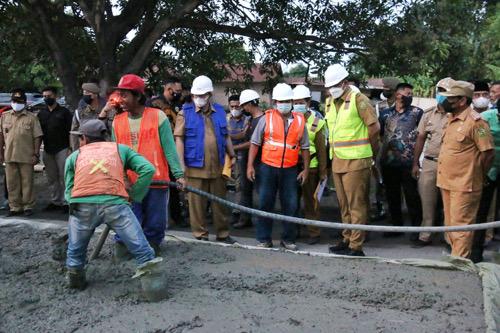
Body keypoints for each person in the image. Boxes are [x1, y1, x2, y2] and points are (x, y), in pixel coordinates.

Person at [64, 119, 161, 290]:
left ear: (85, 138)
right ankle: (154, 288)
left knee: (75, 251)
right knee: (142, 249)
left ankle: (75, 281)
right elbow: (148, 169)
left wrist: (74, 203)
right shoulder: (120, 149)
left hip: (83, 206)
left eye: (80, 138)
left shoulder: (74, 156)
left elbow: (69, 189)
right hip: (116, 204)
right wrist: (135, 195)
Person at [112, 74, 185, 256]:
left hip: (156, 181)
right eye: (119, 94)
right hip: (130, 183)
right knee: (128, 219)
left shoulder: (158, 117)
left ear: (137, 96)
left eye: (124, 95)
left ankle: (152, 246)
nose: (120, 99)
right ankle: (123, 246)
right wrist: (123, 179)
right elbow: (117, 155)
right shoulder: (117, 122)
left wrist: (179, 174)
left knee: (155, 221)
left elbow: (169, 149)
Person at [324, 64, 379, 257]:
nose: (332, 89)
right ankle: (346, 238)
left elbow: (374, 128)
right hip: (337, 160)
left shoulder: (359, 99)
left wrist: (372, 153)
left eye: (336, 84)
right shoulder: (329, 102)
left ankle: (356, 245)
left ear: (345, 82)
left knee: (356, 205)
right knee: (343, 204)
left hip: (357, 160)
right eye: (329, 86)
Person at [174, 75, 236, 243]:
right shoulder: (184, 113)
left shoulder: (220, 112)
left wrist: (232, 155)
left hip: (217, 167)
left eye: (202, 95)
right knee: (196, 205)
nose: (199, 99)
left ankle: (223, 234)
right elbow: (179, 140)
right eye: (196, 96)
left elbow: (226, 136)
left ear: (210, 94)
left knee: (220, 203)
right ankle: (201, 235)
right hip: (194, 167)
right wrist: (181, 168)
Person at [247, 83, 309, 250]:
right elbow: (254, 143)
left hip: (290, 169)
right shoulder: (265, 119)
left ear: (292, 101)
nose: (284, 104)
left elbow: (305, 147)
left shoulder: (300, 120)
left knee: (290, 204)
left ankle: (288, 239)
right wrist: (250, 166)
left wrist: (306, 169)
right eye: (281, 101)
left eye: (287, 100)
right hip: (268, 168)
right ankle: (263, 238)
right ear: (275, 102)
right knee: (265, 203)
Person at [437, 80, 494, 259]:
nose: (445, 101)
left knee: (461, 227)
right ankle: (456, 258)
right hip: (446, 182)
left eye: (450, 99)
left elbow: (488, 153)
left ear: (462, 101)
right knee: (451, 226)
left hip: (465, 185)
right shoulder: (450, 119)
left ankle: (458, 265)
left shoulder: (476, 122)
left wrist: (478, 174)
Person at [411, 78, 454, 247]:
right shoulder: (428, 114)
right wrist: (415, 163)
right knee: (427, 202)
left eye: (446, 91)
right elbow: (420, 139)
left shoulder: (458, 115)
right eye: (440, 90)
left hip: (450, 165)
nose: (442, 95)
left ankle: (449, 238)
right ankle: (425, 235)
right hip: (429, 164)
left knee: (449, 205)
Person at [379, 82, 423, 240]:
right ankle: (396, 226)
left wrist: (417, 162)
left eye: (411, 94)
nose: (410, 97)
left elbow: (421, 136)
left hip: (409, 162)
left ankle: (417, 230)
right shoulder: (385, 114)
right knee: (392, 196)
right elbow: (381, 135)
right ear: (398, 95)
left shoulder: (417, 113)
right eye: (407, 93)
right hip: (389, 163)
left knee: (412, 196)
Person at [147, 77, 187, 227]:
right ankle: (162, 218)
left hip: (174, 147)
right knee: (159, 185)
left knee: (175, 184)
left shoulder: (178, 104)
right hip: (157, 148)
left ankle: (177, 217)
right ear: (168, 89)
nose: (179, 93)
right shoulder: (154, 104)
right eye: (176, 91)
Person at [292, 85, 327, 245]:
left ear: (307, 102)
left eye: (300, 102)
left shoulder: (318, 122)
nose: (297, 105)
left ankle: (314, 232)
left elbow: (321, 150)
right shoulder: (290, 120)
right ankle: (293, 230)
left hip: (311, 167)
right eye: (294, 102)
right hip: (292, 166)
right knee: (292, 201)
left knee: (310, 202)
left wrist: (322, 172)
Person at [0, 89, 42, 217]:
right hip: (9, 155)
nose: (16, 103)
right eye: (14, 101)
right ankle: (14, 207)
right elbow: (1, 135)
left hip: (26, 155)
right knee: (12, 183)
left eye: (19, 101)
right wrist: (0, 153)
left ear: (24, 102)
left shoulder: (32, 118)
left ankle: (28, 206)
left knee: (27, 182)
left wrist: (36, 154)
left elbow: (37, 137)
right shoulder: (4, 116)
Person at [471, 97, 500, 262]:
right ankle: (476, 252)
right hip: (487, 169)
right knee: (482, 211)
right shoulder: (484, 119)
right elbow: (481, 142)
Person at [37, 86, 73, 212]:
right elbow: (39, 134)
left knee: (65, 176)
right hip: (48, 150)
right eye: (45, 96)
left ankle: (67, 202)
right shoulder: (42, 114)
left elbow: (71, 132)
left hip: (63, 148)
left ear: (56, 96)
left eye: (49, 96)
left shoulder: (64, 112)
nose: (47, 98)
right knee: (51, 177)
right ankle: (55, 201)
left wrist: (70, 148)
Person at [233, 89, 264, 229]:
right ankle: (245, 219)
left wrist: (234, 148)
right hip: (246, 159)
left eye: (244, 105)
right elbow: (243, 134)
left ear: (251, 104)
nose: (242, 108)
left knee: (261, 192)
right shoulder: (251, 119)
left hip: (258, 161)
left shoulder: (262, 120)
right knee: (246, 191)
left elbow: (253, 142)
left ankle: (263, 222)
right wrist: (227, 136)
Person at [227, 94, 250, 224]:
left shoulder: (248, 120)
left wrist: (228, 136)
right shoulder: (225, 118)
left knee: (240, 186)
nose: (235, 108)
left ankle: (237, 212)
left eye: (237, 106)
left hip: (242, 157)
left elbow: (246, 137)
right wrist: (238, 135)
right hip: (226, 158)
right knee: (228, 185)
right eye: (232, 106)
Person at [70, 82, 108, 150]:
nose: (84, 95)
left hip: (104, 147)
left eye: (87, 93)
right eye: (84, 93)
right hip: (86, 148)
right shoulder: (79, 112)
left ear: (95, 95)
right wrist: (75, 151)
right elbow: (74, 133)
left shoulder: (107, 110)